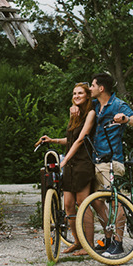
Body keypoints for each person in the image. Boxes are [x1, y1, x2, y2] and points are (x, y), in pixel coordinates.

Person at [72, 72, 133, 258]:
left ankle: (118, 243)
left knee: (114, 200)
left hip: (112, 161)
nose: (90, 90)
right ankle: (108, 238)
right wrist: (74, 107)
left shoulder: (118, 105)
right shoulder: (95, 105)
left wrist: (125, 119)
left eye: (93, 86)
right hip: (95, 161)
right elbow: (81, 103)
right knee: (95, 201)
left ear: (101, 88)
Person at [36, 82, 96, 255]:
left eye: (80, 93)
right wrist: (53, 140)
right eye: (74, 93)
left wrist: (64, 159)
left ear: (87, 96)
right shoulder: (74, 115)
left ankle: (89, 245)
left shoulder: (90, 114)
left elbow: (80, 140)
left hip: (82, 163)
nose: (76, 96)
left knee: (82, 204)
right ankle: (78, 242)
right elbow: (69, 139)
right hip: (70, 164)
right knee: (69, 205)